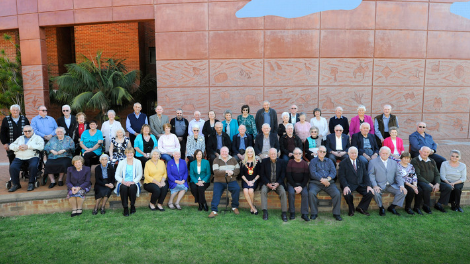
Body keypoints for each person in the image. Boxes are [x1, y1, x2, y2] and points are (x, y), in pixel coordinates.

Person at [411, 146, 452, 214]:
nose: (425, 153)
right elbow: (418, 175)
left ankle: (439, 204)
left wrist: (437, 184)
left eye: (427, 152)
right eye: (424, 152)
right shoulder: (415, 161)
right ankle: (426, 205)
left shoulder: (432, 161)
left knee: (448, 187)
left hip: (433, 181)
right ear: (420, 151)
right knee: (427, 187)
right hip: (421, 181)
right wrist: (429, 183)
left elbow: (437, 174)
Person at [368, 146, 407, 216]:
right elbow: (371, 175)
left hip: (391, 185)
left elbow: (398, 175)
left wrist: (401, 185)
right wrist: (375, 185)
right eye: (383, 153)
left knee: (403, 192)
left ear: (389, 154)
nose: (385, 155)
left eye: (386, 153)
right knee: (375, 193)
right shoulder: (373, 162)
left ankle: (392, 207)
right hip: (379, 185)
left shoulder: (394, 162)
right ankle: (381, 208)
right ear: (379, 153)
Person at [338, 147, 374, 217]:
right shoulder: (343, 163)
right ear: (348, 153)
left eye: (355, 153)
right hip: (349, 184)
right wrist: (345, 186)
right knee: (347, 194)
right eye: (352, 153)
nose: (354, 154)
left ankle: (361, 207)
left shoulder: (361, 162)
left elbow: (365, 175)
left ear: (357, 154)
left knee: (370, 193)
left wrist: (368, 185)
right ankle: (351, 209)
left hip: (360, 184)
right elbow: (341, 176)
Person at [308, 146, 342, 221]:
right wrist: (322, 180)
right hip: (316, 183)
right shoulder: (313, 161)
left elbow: (333, 172)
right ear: (317, 152)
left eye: (324, 152)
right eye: (320, 151)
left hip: (329, 183)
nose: (322, 153)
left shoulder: (329, 161)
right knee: (311, 193)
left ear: (326, 153)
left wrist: (327, 179)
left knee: (337, 193)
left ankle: (336, 213)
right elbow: (313, 173)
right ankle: (314, 213)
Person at [8, 125, 44, 192]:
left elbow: (41, 146)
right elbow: (11, 146)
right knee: (13, 167)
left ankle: (31, 183)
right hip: (19, 156)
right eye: (25, 131)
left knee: (33, 166)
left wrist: (28, 146)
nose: (27, 132)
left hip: (32, 156)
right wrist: (18, 147)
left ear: (32, 130)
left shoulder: (38, 138)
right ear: (23, 131)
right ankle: (16, 184)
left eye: (29, 131)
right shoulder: (20, 138)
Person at [208, 146, 241, 218]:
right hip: (219, 181)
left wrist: (232, 172)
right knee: (216, 192)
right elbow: (216, 172)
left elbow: (238, 169)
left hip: (231, 180)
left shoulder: (233, 159)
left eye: (225, 151)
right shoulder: (216, 160)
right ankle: (214, 211)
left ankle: (234, 207)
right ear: (220, 152)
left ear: (228, 152)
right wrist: (226, 172)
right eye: (222, 151)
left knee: (237, 189)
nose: (224, 153)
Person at [259, 148, 288, 221]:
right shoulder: (264, 161)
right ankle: (265, 212)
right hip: (267, 183)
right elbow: (262, 174)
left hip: (278, 183)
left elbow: (283, 174)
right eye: (271, 154)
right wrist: (267, 183)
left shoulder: (282, 162)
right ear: (269, 155)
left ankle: (284, 213)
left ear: (277, 154)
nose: (273, 155)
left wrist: (277, 183)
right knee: (263, 191)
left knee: (283, 192)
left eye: (274, 153)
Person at [115, 147, 143, 216]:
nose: (129, 154)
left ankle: (132, 206)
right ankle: (125, 208)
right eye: (127, 152)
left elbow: (140, 174)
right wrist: (123, 181)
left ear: (133, 153)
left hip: (134, 182)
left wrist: (133, 181)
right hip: (123, 182)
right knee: (124, 188)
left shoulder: (138, 162)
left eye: (131, 152)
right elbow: (117, 175)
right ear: (125, 154)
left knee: (132, 188)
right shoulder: (121, 162)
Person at [286, 148, 310, 221]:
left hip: (302, 184)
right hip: (291, 183)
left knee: (305, 193)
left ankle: (304, 214)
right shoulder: (290, 162)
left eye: (299, 153)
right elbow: (288, 176)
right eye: (296, 153)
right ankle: (292, 212)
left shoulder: (305, 164)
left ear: (301, 154)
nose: (298, 155)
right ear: (293, 155)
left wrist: (301, 187)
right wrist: (295, 186)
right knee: (291, 193)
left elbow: (306, 177)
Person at [240, 147, 260, 215]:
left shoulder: (257, 161)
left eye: (251, 151)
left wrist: (253, 181)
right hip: (245, 180)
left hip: (254, 180)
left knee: (251, 190)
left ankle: (252, 208)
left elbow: (259, 174)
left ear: (253, 152)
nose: (249, 153)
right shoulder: (243, 162)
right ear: (246, 153)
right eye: (248, 152)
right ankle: (253, 207)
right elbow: (242, 174)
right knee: (245, 190)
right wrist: (247, 181)